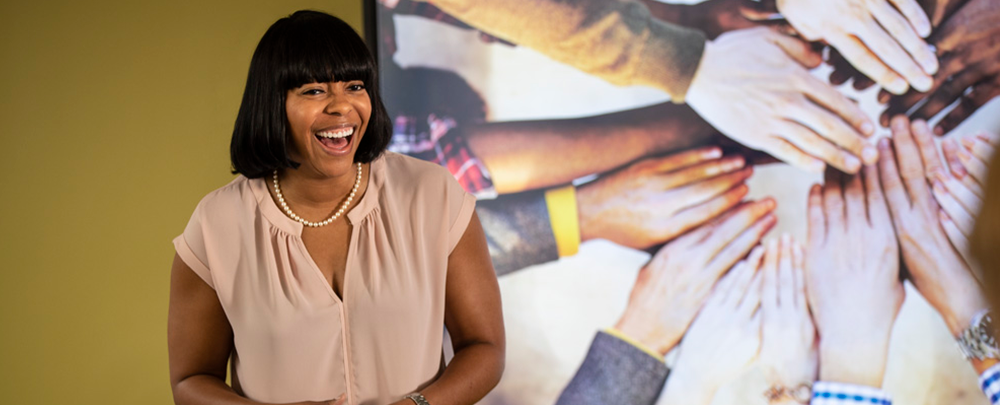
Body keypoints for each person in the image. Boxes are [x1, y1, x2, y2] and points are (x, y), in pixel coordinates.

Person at [167, 11, 504, 405]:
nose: (341, 107)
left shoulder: (431, 193)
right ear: (273, 104)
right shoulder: (216, 223)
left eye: (354, 86)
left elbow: (485, 348)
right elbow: (191, 379)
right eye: (314, 91)